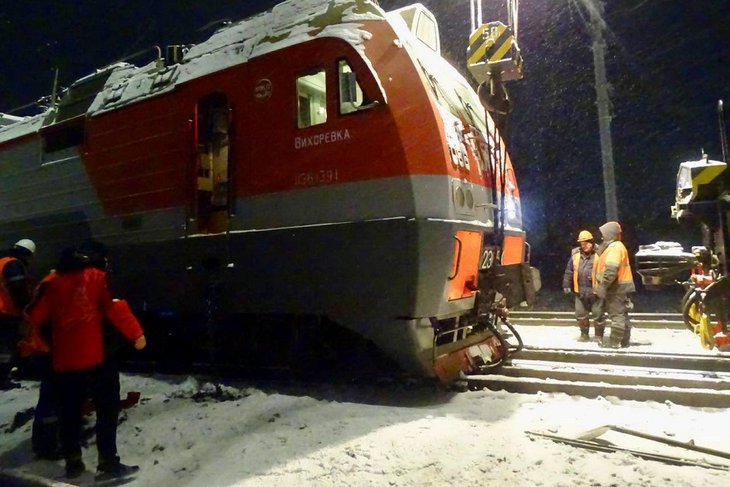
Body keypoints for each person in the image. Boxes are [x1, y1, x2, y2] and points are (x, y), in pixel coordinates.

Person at [27, 240, 147, 480]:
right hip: (96, 357)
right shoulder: (96, 277)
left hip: (64, 360)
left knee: (69, 410)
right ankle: (108, 463)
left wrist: (50, 345)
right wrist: (137, 335)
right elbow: (116, 308)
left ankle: (73, 462)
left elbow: (35, 315)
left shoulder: (52, 282)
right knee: (107, 408)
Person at [0, 238, 36, 388]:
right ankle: (1, 378)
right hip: (6, 311)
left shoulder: (2, 261)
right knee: (7, 346)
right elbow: (18, 288)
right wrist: (26, 308)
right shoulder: (13, 265)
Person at [594, 221, 636, 348]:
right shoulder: (614, 247)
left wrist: (603, 285)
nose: (602, 237)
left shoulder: (615, 248)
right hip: (619, 287)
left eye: (604, 234)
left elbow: (611, 270)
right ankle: (624, 341)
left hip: (616, 288)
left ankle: (614, 342)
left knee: (617, 315)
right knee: (621, 314)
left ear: (610, 234)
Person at [562, 230, 605, 342]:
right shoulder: (575, 256)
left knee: (598, 315)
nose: (584, 246)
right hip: (580, 291)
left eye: (586, 243)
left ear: (592, 242)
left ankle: (598, 336)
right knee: (581, 315)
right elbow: (569, 271)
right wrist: (566, 283)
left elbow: (605, 271)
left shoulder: (599, 255)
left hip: (596, 292)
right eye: (582, 244)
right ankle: (584, 335)